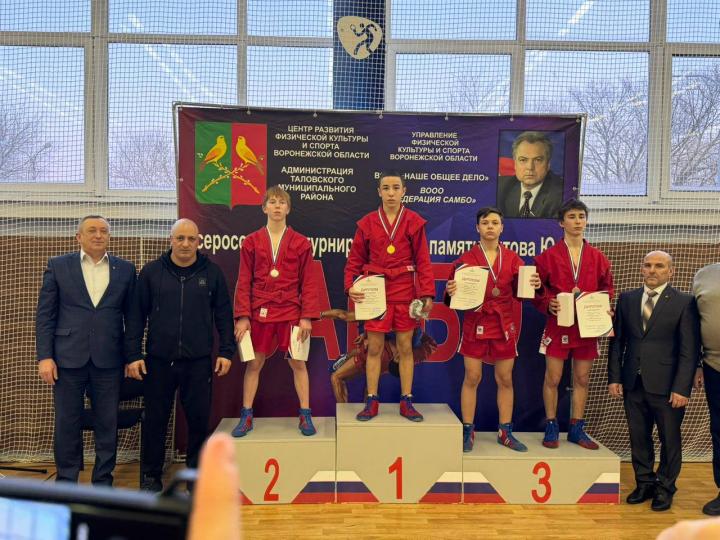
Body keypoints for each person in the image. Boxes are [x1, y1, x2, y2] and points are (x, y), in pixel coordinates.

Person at [125, 218, 235, 493]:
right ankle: (150, 478)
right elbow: (136, 316)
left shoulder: (212, 273)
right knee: (155, 422)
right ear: (170, 240)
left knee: (198, 423)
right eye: (180, 238)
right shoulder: (151, 273)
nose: (186, 244)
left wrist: (226, 351)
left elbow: (224, 315)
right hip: (158, 363)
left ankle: (195, 480)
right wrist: (133, 354)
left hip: (198, 363)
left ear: (199, 241)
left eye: (191, 239)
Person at [35, 215, 136, 486]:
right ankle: (67, 482)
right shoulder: (58, 266)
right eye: (92, 230)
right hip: (67, 359)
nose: (98, 235)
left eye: (104, 231)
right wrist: (45, 357)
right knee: (67, 423)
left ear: (109, 237)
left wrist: (131, 357)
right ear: (78, 237)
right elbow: (45, 316)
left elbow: (132, 318)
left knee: (107, 423)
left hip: (109, 359)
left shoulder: (125, 270)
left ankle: (102, 483)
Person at [608, 251, 699, 511]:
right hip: (633, 383)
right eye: (647, 265)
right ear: (641, 269)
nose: (652, 270)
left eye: (659, 266)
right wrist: (615, 377)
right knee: (639, 437)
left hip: (668, 387)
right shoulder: (627, 299)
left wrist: (682, 388)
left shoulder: (684, 302)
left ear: (671, 271)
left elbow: (689, 350)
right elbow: (618, 342)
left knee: (669, 439)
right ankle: (644, 483)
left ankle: (665, 488)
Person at [445, 207, 541, 452]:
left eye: (495, 222)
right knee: (472, 376)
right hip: (476, 321)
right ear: (477, 227)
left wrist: (535, 285)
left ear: (501, 228)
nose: (490, 226)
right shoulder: (465, 260)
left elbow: (524, 294)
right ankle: (468, 430)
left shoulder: (514, 259)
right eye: (485, 222)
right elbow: (452, 299)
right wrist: (450, 291)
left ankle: (505, 432)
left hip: (503, 323)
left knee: (505, 378)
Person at [344, 171, 434, 422]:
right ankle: (372, 400)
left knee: (405, 347)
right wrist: (350, 285)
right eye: (386, 188)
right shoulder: (367, 223)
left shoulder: (414, 221)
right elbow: (354, 260)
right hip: (375, 291)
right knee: (374, 347)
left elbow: (423, 261)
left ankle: (407, 401)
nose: (391, 193)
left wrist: (427, 293)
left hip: (404, 291)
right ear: (379, 192)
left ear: (404, 191)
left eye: (396, 188)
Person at [232, 187, 320, 438]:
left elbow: (309, 282)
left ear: (288, 208)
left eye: (282, 202)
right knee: (254, 363)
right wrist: (243, 316)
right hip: (260, 310)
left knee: (298, 363)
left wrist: (306, 316)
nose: (277, 206)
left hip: (291, 310)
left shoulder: (301, 243)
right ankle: (246, 415)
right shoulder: (251, 242)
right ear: (264, 208)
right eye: (272, 202)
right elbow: (243, 280)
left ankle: (305, 414)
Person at [533, 199, 614, 449]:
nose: (578, 221)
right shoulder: (547, 257)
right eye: (572, 217)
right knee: (553, 377)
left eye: (581, 216)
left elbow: (607, 289)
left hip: (587, 327)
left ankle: (577, 429)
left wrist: (605, 308)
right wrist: (547, 303)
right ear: (561, 222)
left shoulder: (599, 258)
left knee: (582, 378)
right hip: (559, 325)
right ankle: (551, 425)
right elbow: (537, 290)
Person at [322, 309, 437, 403]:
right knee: (370, 387)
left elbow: (343, 315)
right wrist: (366, 334)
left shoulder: (387, 352)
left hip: (380, 343)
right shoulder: (414, 349)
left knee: (337, 377)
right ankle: (367, 409)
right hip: (386, 336)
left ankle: (346, 415)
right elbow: (430, 344)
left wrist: (366, 335)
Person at [691, 263, 720, 515]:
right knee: (719, 430)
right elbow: (694, 323)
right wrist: (698, 364)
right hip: (713, 366)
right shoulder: (704, 275)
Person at [497, 131, 564, 219]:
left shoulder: (561, 194)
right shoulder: (501, 187)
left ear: (548, 164)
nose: (530, 167)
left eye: (538, 160)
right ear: (515, 164)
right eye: (523, 160)